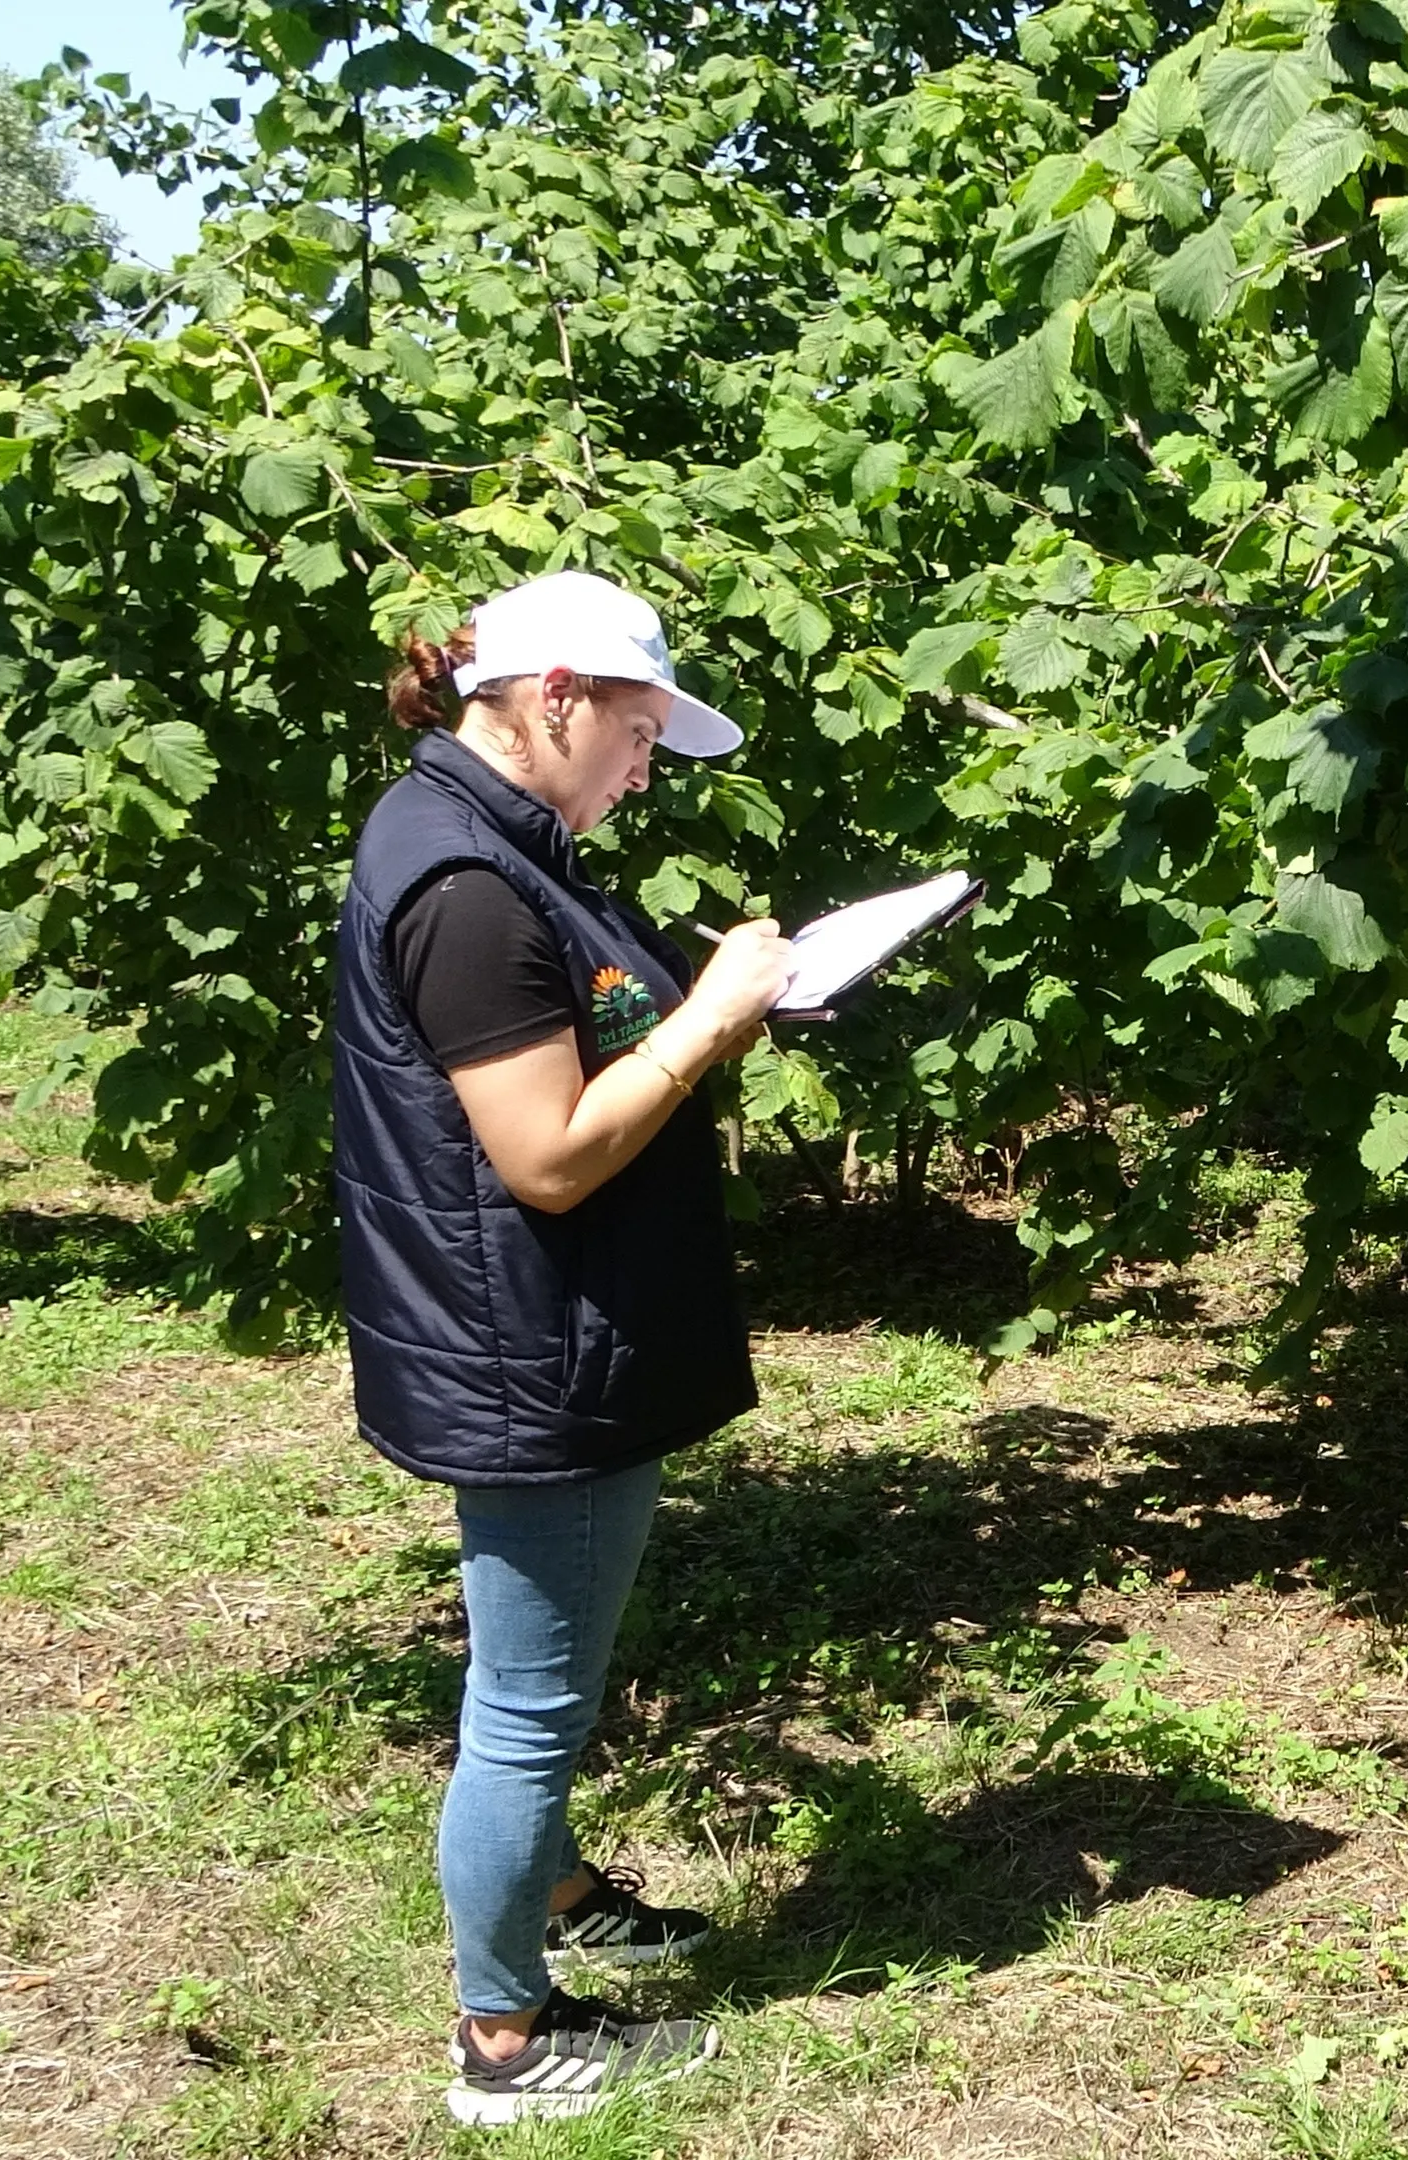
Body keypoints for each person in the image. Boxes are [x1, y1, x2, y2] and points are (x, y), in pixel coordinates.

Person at [331, 569, 795, 2125]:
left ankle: (563, 1889)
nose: (649, 768)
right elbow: (545, 1155)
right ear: (555, 700)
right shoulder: (467, 887)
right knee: (527, 1708)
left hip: (526, 1328)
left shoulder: (489, 841)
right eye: (642, 733)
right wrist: (711, 1020)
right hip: (537, 1359)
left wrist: (706, 998)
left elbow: (578, 1026)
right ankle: (506, 2042)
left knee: (536, 1678)